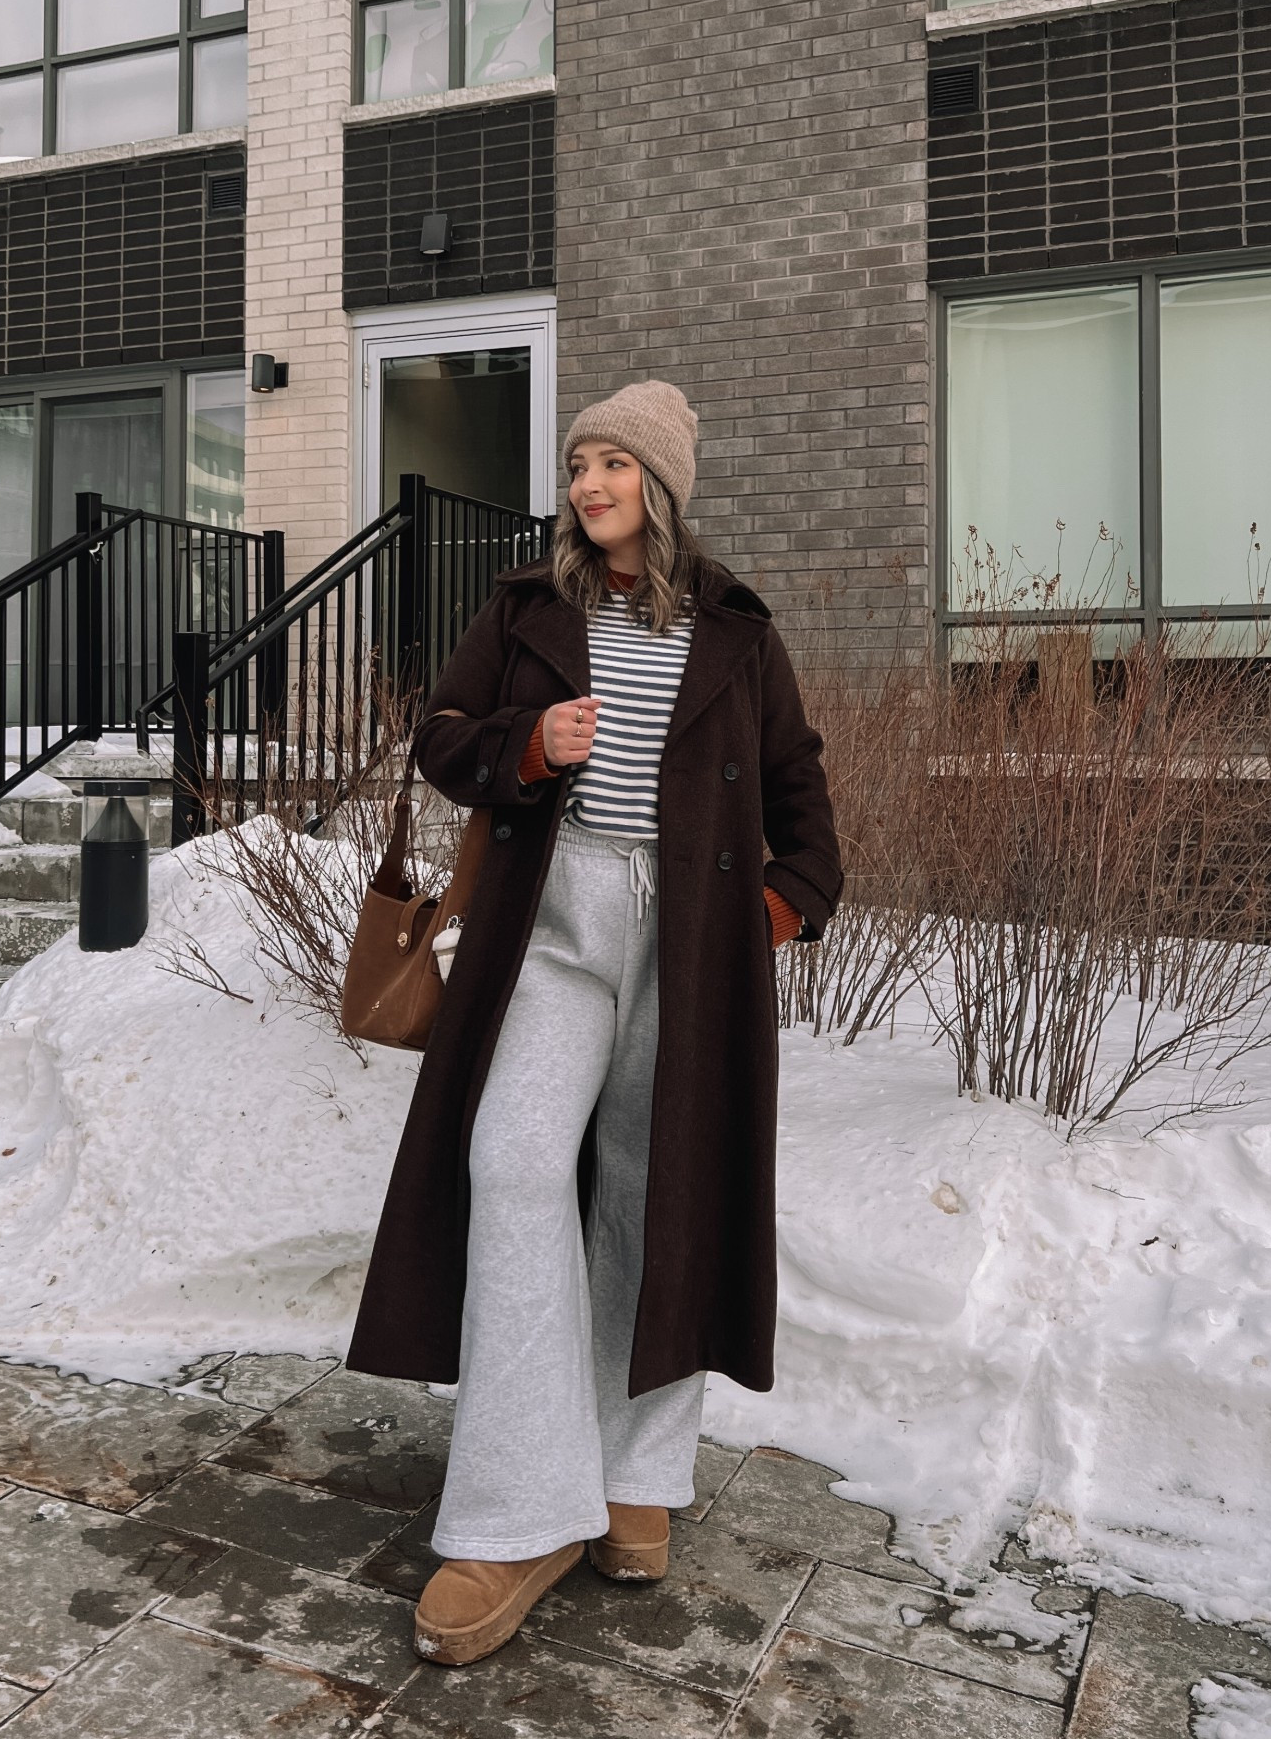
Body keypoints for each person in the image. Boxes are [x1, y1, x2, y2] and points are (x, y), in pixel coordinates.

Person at [346, 379, 843, 1667]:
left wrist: (782, 910)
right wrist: (528, 742)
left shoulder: (735, 625)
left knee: (653, 1190)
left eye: (615, 463)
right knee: (510, 1161)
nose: (589, 484)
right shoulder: (528, 607)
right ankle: (518, 1506)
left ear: (661, 484)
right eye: (579, 462)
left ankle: (634, 1479)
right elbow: (441, 741)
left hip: (690, 940)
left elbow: (798, 786)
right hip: (554, 929)